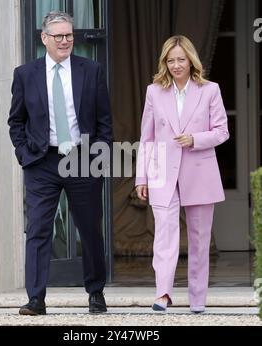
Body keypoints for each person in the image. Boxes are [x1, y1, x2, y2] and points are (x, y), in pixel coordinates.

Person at [8, 11, 112, 315]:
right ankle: (36, 299)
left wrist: (99, 157)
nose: (65, 40)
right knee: (38, 229)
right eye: (59, 36)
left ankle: (95, 293)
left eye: (69, 35)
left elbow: (105, 121)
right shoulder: (25, 74)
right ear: (44, 39)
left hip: (83, 160)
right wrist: (24, 154)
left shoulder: (91, 70)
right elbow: (16, 121)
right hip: (42, 162)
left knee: (90, 229)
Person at [135, 35, 229, 313]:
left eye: (181, 59)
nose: (176, 65)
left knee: (200, 239)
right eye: (170, 60)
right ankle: (162, 293)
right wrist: (142, 177)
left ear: (191, 61)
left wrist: (195, 139)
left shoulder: (209, 90)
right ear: (165, 63)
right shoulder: (154, 91)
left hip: (199, 172)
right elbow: (147, 137)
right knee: (164, 235)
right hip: (162, 173)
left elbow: (222, 131)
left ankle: (197, 298)